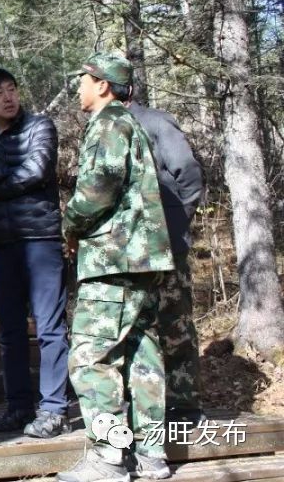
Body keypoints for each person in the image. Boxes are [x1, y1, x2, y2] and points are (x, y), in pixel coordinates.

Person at [59, 54, 175, 482]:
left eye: (83, 81)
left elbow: (98, 190)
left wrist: (69, 224)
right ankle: (151, 455)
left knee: (90, 356)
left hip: (114, 259)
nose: (78, 89)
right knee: (142, 356)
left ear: (103, 85)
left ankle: (108, 457)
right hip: (142, 260)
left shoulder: (110, 124)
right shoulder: (130, 124)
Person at [0, 68, 70, 439]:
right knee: (10, 331)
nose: (8, 97)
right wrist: (3, 171)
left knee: (50, 327)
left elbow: (38, 169)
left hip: (40, 237)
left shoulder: (40, 127)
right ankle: (19, 406)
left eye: (12, 89)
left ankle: (53, 408)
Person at [127, 97, 204, 423]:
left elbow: (188, 174)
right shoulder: (103, 126)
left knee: (175, 325)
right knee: (135, 330)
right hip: (126, 252)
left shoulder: (156, 121)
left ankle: (184, 405)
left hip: (167, 247)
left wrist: (173, 222)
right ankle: (142, 408)